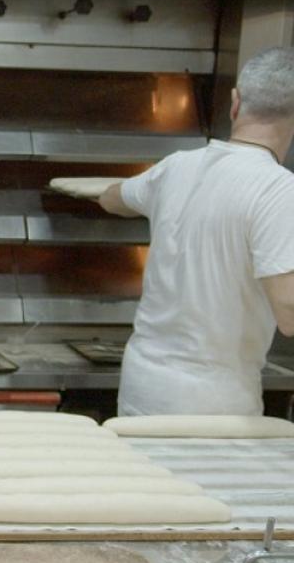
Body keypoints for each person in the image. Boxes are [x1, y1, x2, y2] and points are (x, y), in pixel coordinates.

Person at [98, 46, 294, 417]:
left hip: (142, 387)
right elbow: (289, 312)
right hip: (211, 404)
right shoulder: (279, 190)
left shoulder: (175, 168)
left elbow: (114, 198)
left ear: (235, 104)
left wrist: (103, 193)